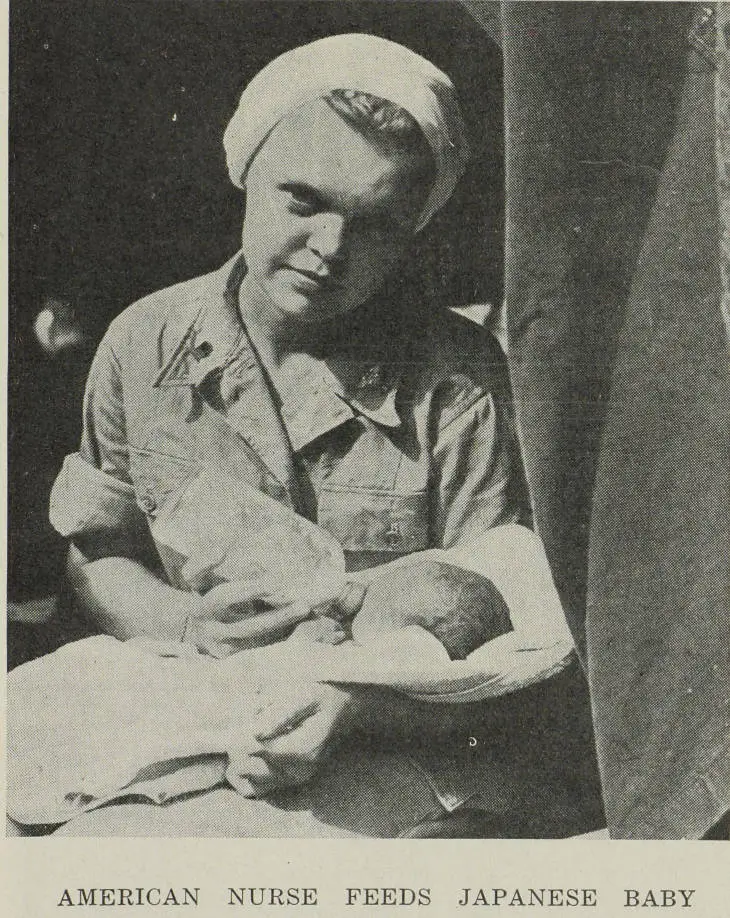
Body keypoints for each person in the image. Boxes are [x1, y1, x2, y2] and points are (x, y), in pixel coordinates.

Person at [46, 34, 594, 837]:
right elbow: (99, 550)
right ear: (246, 173)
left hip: (401, 746)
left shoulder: (463, 384)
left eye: (375, 224)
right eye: (302, 200)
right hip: (191, 704)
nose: (330, 249)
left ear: (416, 229)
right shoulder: (147, 341)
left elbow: (517, 652)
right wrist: (184, 623)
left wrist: (359, 708)